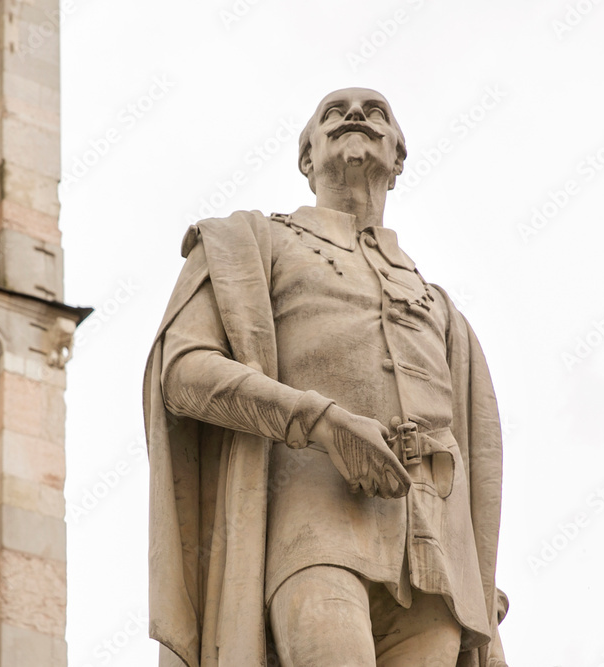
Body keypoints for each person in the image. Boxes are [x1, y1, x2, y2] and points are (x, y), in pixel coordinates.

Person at [144, 88, 509, 666]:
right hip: (311, 531)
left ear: (398, 160)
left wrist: (480, 583)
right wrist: (320, 422)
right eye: (334, 113)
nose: (356, 117)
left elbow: (474, 455)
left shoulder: (439, 307)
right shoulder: (250, 243)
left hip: (438, 563)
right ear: (307, 158)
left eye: (377, 112)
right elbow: (184, 373)